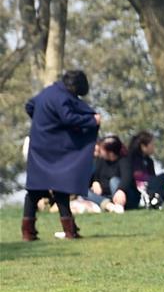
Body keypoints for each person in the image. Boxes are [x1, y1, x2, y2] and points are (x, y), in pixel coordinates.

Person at [21, 70, 101, 240]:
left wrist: (42, 124)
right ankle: (69, 231)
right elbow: (68, 118)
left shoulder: (48, 92)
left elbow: (30, 106)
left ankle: (28, 232)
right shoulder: (62, 97)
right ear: (75, 87)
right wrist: (91, 121)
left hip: (39, 146)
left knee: (35, 190)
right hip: (55, 150)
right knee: (60, 188)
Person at [127, 131, 164, 209]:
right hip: (137, 186)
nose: (154, 147)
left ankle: (155, 198)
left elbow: (153, 176)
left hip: (150, 185)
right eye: (152, 145)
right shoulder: (131, 159)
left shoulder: (149, 161)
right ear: (143, 146)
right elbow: (135, 175)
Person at [88, 135, 130, 213]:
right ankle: (108, 205)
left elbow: (126, 178)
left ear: (110, 152)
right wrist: (95, 182)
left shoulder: (124, 161)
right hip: (106, 196)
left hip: (122, 196)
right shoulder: (100, 161)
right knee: (85, 192)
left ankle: (118, 205)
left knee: (114, 181)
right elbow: (96, 176)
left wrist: (121, 190)